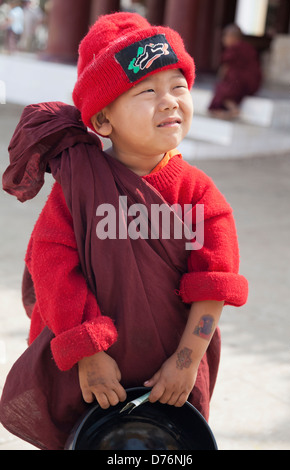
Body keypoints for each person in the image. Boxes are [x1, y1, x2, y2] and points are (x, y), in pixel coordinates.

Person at [0, 12, 248, 450]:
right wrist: (88, 352)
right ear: (103, 120)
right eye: (148, 91)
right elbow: (53, 267)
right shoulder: (79, 191)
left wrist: (187, 361)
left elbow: (215, 281)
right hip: (95, 376)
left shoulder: (199, 193)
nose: (170, 101)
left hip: (170, 371)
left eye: (179, 86)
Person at [209, 24, 262, 119]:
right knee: (227, 88)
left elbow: (225, 68)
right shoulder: (249, 48)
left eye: (226, 36)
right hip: (253, 84)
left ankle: (233, 109)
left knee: (222, 89)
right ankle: (230, 110)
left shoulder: (233, 49)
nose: (224, 39)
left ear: (232, 37)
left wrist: (222, 79)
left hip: (241, 82)